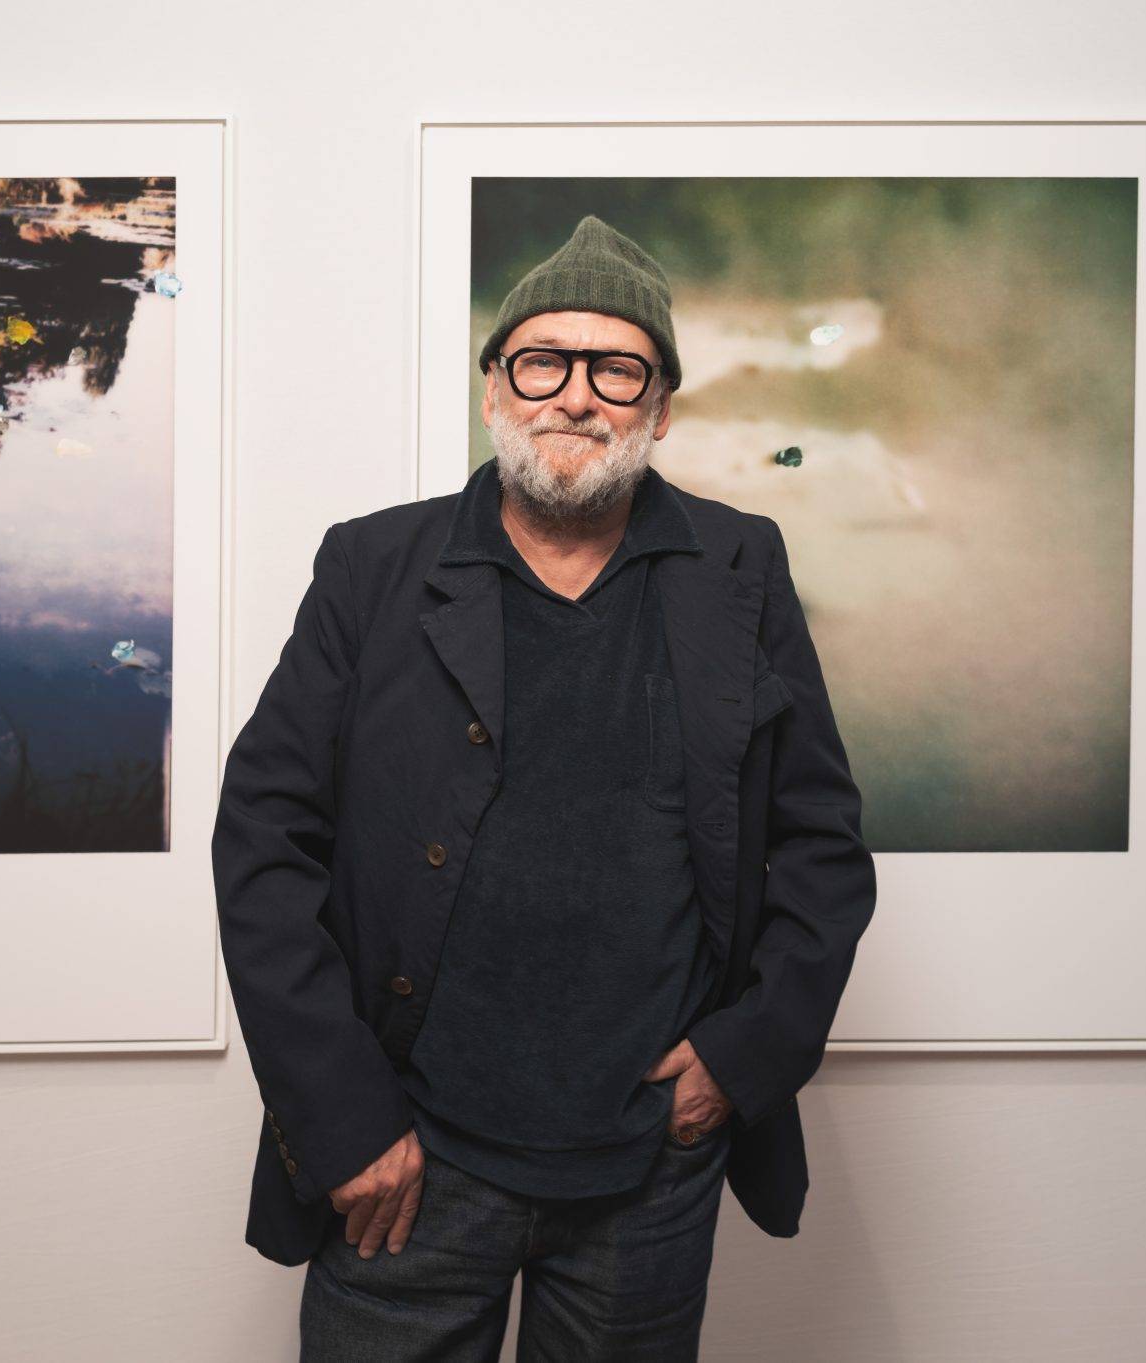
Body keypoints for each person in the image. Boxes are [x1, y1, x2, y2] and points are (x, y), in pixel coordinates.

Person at [213, 214, 878, 1359]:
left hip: (648, 1168)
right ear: (494, 389)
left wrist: (738, 1060)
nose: (575, 395)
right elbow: (264, 843)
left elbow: (819, 843)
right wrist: (343, 1117)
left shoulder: (740, 568)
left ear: (658, 408)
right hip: (407, 1161)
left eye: (615, 368)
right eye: (542, 362)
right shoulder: (372, 567)